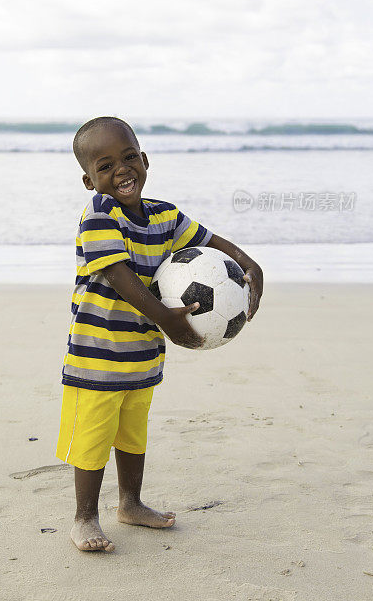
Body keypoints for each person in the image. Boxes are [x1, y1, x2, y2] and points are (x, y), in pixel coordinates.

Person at [55, 116, 263, 553]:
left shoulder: (165, 215)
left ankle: (130, 503)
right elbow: (117, 275)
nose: (121, 170)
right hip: (97, 355)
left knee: (133, 435)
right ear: (89, 180)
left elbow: (211, 241)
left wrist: (250, 264)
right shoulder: (99, 213)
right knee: (93, 439)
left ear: (145, 160)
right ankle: (85, 517)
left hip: (143, 356)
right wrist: (168, 320)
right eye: (106, 165)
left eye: (129, 157)